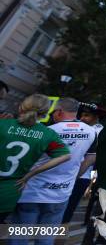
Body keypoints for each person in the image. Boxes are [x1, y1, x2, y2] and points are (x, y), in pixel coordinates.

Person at [10, 97, 96, 243]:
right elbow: (90, 158)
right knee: (46, 238)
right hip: (61, 193)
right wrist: (72, 178)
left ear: (59, 112)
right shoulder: (91, 132)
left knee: (21, 235)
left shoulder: (48, 131)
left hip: (32, 191)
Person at [0, 94, 71, 223]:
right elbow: (65, 156)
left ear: (21, 107)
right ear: (45, 113)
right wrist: (31, 174)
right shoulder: (47, 134)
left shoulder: (3, 124)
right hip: (9, 191)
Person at [62, 103, 104, 224]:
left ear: (96, 117)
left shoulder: (100, 132)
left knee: (67, 210)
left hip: (81, 176)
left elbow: (94, 160)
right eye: (81, 115)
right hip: (67, 173)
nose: (82, 118)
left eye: (87, 115)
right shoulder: (79, 127)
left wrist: (90, 184)